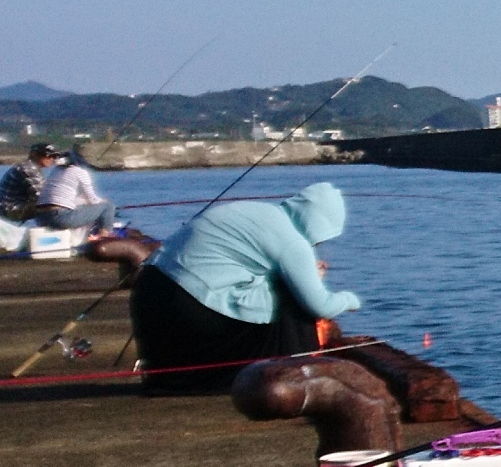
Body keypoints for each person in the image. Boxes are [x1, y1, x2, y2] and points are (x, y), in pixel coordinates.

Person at [127, 183, 393, 449]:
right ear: (318, 224)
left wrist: (299, 274)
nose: (319, 243)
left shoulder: (259, 212)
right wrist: (352, 300)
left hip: (150, 291)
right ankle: (292, 374)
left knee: (284, 289)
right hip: (187, 305)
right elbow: (320, 305)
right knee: (294, 301)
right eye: (323, 236)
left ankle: (175, 380)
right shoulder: (292, 242)